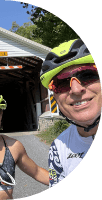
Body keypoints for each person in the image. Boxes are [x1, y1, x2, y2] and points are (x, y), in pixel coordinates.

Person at [40, 39, 102, 187]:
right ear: (54, 97)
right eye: (61, 83)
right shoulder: (59, 148)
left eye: (87, 75)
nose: (76, 89)